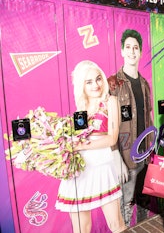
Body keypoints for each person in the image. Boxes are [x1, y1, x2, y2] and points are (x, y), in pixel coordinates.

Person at [55, 60, 126, 233]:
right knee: (81, 228)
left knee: (116, 225)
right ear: (82, 86)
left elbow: (111, 138)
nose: (96, 85)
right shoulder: (82, 107)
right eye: (89, 82)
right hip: (79, 170)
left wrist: (81, 145)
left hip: (102, 167)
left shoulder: (111, 101)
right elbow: (78, 136)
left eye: (98, 79)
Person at [108, 29, 153, 226]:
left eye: (136, 48)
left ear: (140, 52)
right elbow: (108, 124)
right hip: (126, 154)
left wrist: (153, 147)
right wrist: (115, 154)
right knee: (126, 203)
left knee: (144, 200)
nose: (132, 52)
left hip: (145, 152)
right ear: (121, 51)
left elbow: (149, 115)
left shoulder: (144, 83)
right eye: (128, 47)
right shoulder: (113, 83)